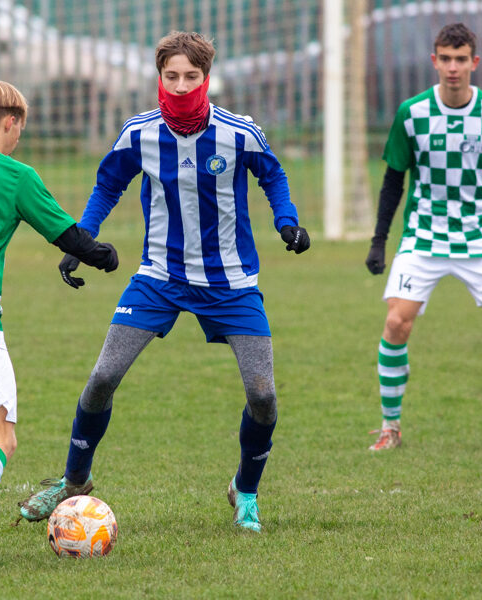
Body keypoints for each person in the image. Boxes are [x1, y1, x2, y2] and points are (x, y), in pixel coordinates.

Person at [18, 31, 310, 533]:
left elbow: (274, 176)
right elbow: (108, 184)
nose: (179, 85)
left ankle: (245, 490)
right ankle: (74, 481)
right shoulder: (139, 133)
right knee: (102, 378)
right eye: (171, 76)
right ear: (159, 77)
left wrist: (287, 221)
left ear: (206, 77)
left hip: (231, 282)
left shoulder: (240, 133)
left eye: (190, 76)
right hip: (159, 277)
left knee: (263, 396)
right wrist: (80, 240)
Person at [0, 80, 118, 563]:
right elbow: (68, 236)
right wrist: (104, 256)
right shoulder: (15, 175)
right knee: (0, 434)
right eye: (20, 128)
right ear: (11, 122)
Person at [365, 23, 482, 451]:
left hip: (480, 235)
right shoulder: (412, 113)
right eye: (445, 58)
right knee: (396, 322)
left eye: (460, 59)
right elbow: (393, 180)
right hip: (424, 234)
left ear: (474, 62)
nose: (453, 67)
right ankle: (390, 427)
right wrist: (379, 240)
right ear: (434, 61)